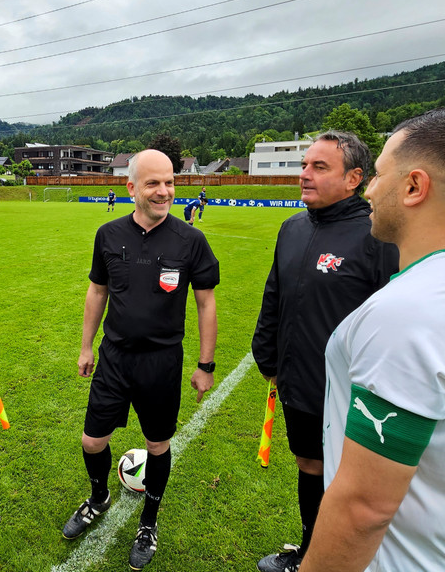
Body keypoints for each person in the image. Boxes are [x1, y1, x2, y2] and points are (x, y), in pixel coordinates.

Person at [300, 106, 445, 572]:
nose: (369, 189)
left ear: (414, 187)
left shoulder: (412, 312)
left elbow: (364, 508)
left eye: (379, 174)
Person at [63, 149, 219, 570]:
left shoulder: (190, 240)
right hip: (114, 357)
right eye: (153, 183)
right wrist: (86, 347)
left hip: (161, 362)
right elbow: (98, 291)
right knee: (92, 441)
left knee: (157, 445)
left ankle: (148, 521)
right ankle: (99, 497)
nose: (164, 191)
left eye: (170, 182)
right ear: (131, 187)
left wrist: (205, 365)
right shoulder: (108, 234)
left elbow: (206, 303)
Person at [251, 131, 399, 572]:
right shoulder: (292, 228)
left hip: (352, 391)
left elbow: (392, 319)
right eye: (304, 165)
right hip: (299, 381)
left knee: (351, 481)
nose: (305, 175)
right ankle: (310, 554)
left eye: (319, 167)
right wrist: (267, 355)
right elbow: (274, 294)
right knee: (309, 465)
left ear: (354, 178)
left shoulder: (377, 235)